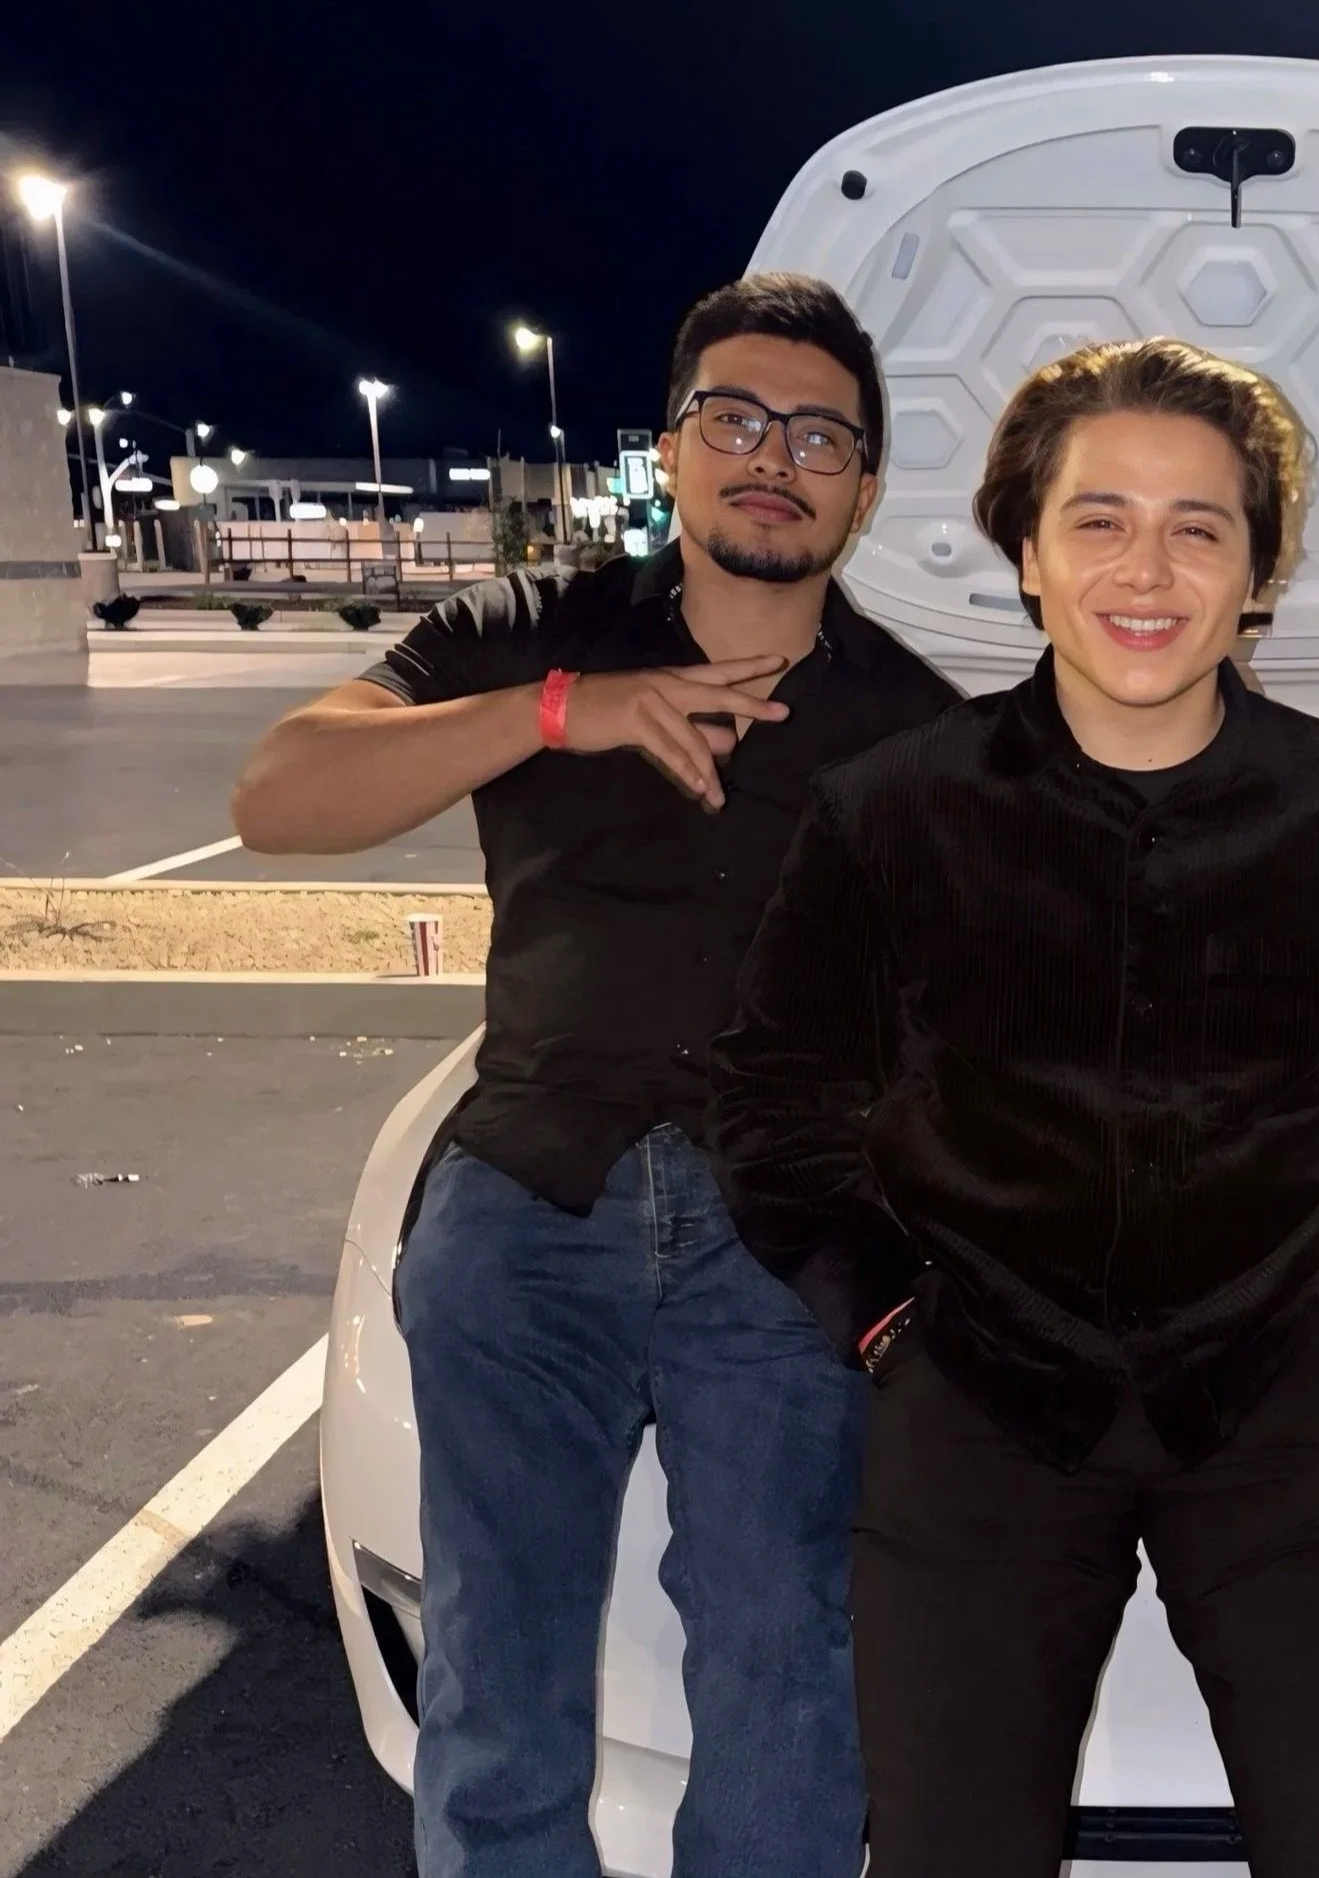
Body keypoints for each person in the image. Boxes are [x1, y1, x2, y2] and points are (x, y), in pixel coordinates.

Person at [708, 336, 1319, 1878]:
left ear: (1256, 571)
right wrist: (882, 1316)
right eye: (1098, 519)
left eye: (1199, 526)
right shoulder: (889, 813)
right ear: (1026, 548)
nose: (1145, 568)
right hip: (982, 1403)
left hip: (1283, 1401)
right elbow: (774, 1092)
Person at [230, 273, 957, 1878]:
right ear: (676, 448)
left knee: (787, 1664)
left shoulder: (918, 728)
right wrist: (565, 713)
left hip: (780, 1228)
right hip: (526, 1195)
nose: (776, 455)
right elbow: (281, 792)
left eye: (822, 433)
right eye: (737, 417)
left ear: (866, 485)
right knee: (499, 1659)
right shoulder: (529, 635)